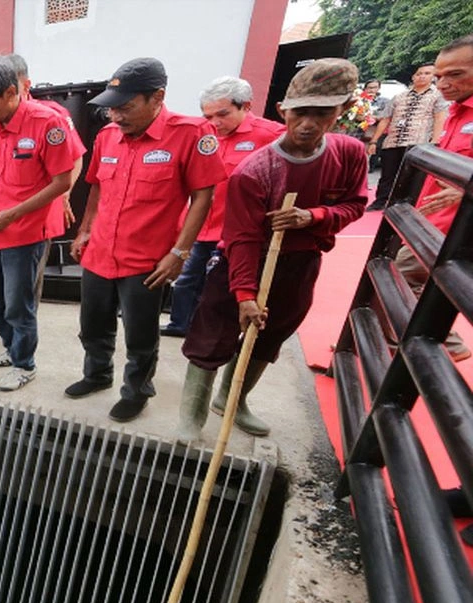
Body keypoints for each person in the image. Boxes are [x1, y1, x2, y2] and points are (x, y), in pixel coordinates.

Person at [178, 58, 368, 440]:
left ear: (342, 111)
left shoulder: (349, 154)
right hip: (244, 257)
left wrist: (313, 217)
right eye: (300, 113)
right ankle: (191, 416)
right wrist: (245, 295)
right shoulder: (256, 170)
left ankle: (232, 400)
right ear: (284, 111)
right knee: (212, 332)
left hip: (300, 260)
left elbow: (355, 205)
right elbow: (243, 237)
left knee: (272, 334)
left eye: (322, 113)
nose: (309, 124)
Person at [67, 57, 227, 421]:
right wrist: (86, 229)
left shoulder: (190, 134)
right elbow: (95, 189)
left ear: (157, 97)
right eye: (112, 109)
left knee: (140, 334)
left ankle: (136, 390)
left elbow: (204, 195)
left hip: (147, 259)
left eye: (125, 108)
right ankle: (97, 375)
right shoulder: (108, 136)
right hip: (100, 250)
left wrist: (180, 251)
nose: (116, 117)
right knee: (93, 324)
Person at [0, 57, 84, 391]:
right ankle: (10, 349)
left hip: (25, 233)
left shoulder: (48, 123)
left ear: (10, 93)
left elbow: (62, 181)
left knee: (19, 303)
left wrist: (14, 214)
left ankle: (24, 364)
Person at [163, 76, 284, 337]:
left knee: (218, 286)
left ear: (246, 106)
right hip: (199, 226)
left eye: (222, 114)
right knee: (186, 280)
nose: (215, 122)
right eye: (208, 116)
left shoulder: (271, 137)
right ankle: (180, 324)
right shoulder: (202, 134)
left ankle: (211, 332)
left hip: (235, 230)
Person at [394, 34, 473, 361]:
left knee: (399, 272)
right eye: (439, 75)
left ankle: (441, 345)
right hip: (430, 219)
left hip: (456, 228)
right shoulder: (456, 112)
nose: (443, 83)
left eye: (455, 74)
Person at [366, 63, 446, 211]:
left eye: (427, 73)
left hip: (418, 142)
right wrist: (374, 141)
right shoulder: (399, 96)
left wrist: (435, 141)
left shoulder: (437, 96)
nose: (422, 76)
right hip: (393, 141)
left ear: (433, 77)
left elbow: (439, 118)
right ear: (413, 77)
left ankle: (403, 205)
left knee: (410, 176)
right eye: (419, 73)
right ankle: (380, 201)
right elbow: (385, 119)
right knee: (387, 175)